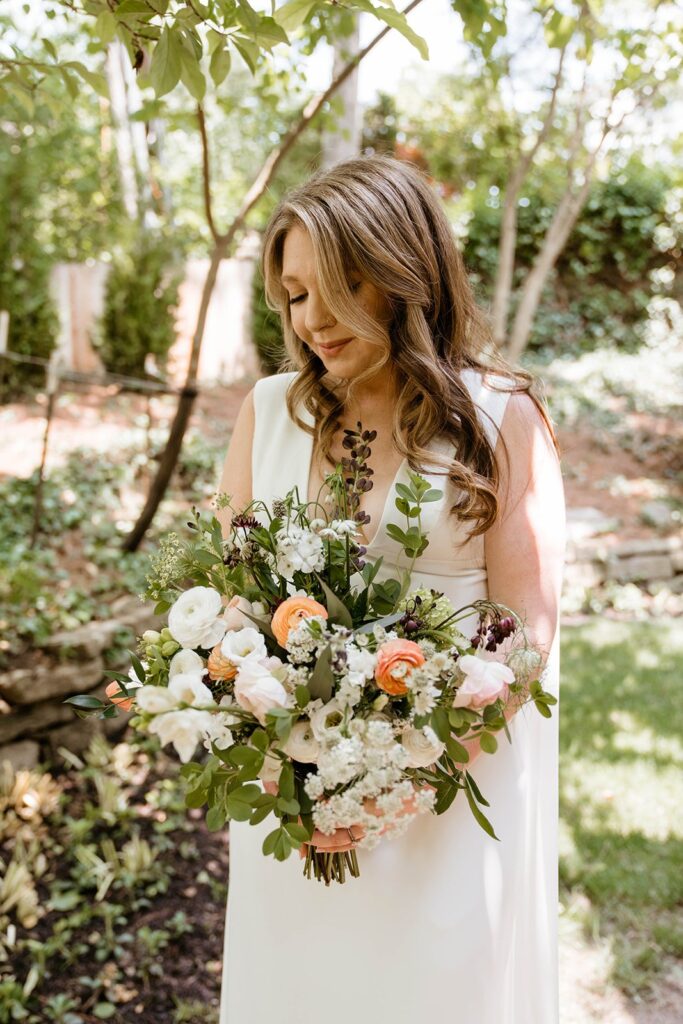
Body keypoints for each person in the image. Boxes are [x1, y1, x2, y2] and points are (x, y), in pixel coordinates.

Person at [216, 155, 565, 1024]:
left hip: (449, 793)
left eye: (340, 285)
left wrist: (394, 786)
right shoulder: (267, 412)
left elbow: (524, 632)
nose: (311, 320)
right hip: (291, 799)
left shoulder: (499, 420)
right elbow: (230, 607)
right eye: (294, 295)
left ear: (406, 275)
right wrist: (283, 762)